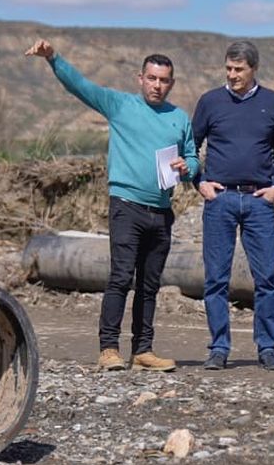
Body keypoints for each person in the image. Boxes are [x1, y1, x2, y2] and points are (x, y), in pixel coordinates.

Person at [25, 38, 197, 373]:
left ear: (172, 83)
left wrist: (188, 167)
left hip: (161, 212)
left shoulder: (179, 117)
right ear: (140, 78)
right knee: (121, 277)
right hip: (126, 206)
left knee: (150, 284)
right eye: (152, 78)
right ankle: (108, 349)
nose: (157, 85)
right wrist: (53, 58)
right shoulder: (119, 105)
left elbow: (192, 156)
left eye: (164, 80)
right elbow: (81, 86)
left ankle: (143, 350)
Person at [191, 41, 274, 372]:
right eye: (228, 69)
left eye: (239, 69)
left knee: (266, 278)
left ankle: (268, 348)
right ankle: (219, 348)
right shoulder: (210, 102)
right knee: (215, 279)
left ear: (254, 69)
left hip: (258, 201)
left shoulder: (273, 102)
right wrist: (199, 182)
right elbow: (190, 148)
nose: (232, 75)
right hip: (219, 200)